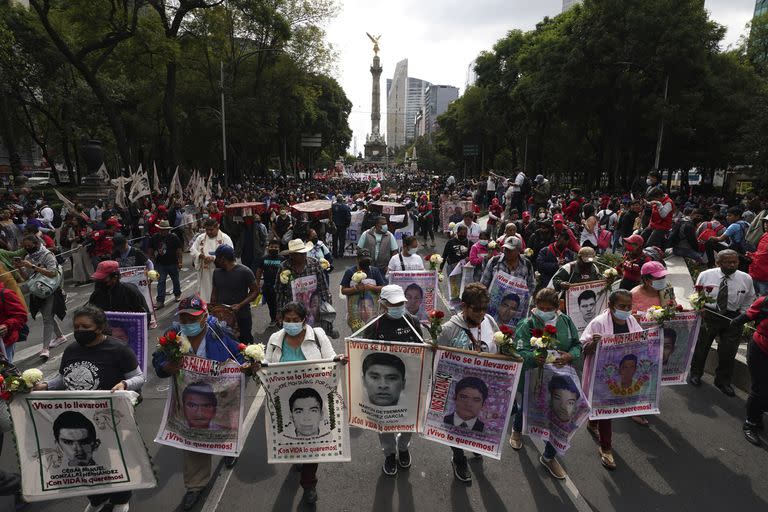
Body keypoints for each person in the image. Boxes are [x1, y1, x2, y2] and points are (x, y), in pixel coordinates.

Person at [34, 304, 145, 512]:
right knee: (86, 463)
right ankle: (96, 498)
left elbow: (139, 377)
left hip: (111, 419)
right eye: (76, 327)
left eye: (85, 326)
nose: (80, 331)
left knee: (115, 458)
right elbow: (62, 377)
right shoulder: (71, 349)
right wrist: (44, 386)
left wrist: (124, 385)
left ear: (100, 327)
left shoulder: (119, 349)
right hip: (80, 418)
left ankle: (120, 499)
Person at [151, 296, 244, 510]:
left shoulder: (218, 333)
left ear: (204, 316)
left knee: (223, 429)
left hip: (221, 394)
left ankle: (228, 451)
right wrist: (166, 366)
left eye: (192, 318)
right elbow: (158, 360)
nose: (188, 322)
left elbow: (238, 353)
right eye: (183, 318)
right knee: (193, 438)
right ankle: (195, 486)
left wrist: (241, 367)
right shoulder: (173, 336)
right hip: (189, 398)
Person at [253, 302, 344, 505]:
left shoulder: (318, 336)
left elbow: (330, 359)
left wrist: (339, 360)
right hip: (285, 401)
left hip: (313, 397)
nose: (291, 324)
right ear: (281, 320)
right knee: (292, 437)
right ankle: (299, 457)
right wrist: (257, 367)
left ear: (304, 321)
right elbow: (267, 367)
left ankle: (309, 484)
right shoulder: (276, 338)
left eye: (296, 320)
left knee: (313, 440)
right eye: (288, 320)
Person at [509, 287, 580, 480]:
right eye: (540, 307)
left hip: (561, 381)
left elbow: (577, 345)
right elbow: (517, 350)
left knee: (560, 417)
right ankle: (517, 431)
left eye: (549, 308)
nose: (544, 311)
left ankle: (549, 456)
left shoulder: (566, 322)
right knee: (524, 406)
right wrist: (533, 357)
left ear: (557, 308)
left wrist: (569, 355)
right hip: (533, 378)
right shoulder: (527, 324)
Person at [436, 283, 499, 482]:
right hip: (458, 390)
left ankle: (475, 444)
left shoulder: (489, 321)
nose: (481, 314)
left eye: (484, 309)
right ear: (464, 306)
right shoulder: (448, 329)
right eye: (476, 309)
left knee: (478, 422)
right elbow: (439, 361)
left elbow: (499, 346)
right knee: (456, 425)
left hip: (484, 389)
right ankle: (458, 458)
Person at [360, 284, 424, 476]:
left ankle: (403, 448)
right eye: (393, 304)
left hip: (408, 381)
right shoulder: (374, 324)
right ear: (383, 304)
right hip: (383, 384)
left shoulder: (412, 320)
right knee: (384, 420)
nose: (398, 307)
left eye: (401, 303)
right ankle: (389, 453)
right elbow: (362, 351)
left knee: (408, 417)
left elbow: (422, 347)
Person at [580, 289, 643, 470]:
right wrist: (594, 343)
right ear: (610, 306)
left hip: (621, 373)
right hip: (602, 374)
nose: (626, 309)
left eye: (629, 306)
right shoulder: (598, 323)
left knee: (605, 408)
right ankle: (606, 448)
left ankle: (592, 423)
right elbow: (584, 347)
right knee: (607, 411)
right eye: (622, 306)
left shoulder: (631, 321)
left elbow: (640, 342)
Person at [689, 250, 755, 396]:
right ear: (718, 263)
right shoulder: (706, 275)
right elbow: (696, 294)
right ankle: (695, 373)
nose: (733, 265)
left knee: (728, 351)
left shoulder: (746, 278)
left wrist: (742, 316)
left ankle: (723, 381)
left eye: (735, 262)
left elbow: (749, 299)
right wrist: (698, 307)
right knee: (702, 346)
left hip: (733, 318)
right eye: (728, 262)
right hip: (709, 315)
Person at [15, 234, 65, 360]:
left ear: (36, 244)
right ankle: (60, 337)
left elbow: (53, 273)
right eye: (25, 246)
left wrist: (33, 266)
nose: (27, 248)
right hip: (36, 291)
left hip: (49, 290)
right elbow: (27, 278)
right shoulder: (27, 257)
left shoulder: (47, 255)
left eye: (29, 246)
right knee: (47, 316)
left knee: (47, 319)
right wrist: (21, 268)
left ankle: (45, 348)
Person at [732, 294, 768, 445]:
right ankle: (750, 423)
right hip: (760, 349)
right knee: (760, 388)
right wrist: (736, 321)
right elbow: (747, 315)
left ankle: (757, 415)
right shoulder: (765, 301)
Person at [275, 238, 333, 333]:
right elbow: (279, 291)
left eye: (304, 252)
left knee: (314, 337)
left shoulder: (314, 264)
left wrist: (328, 307)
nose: (303, 255)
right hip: (292, 313)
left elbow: (323, 287)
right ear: (292, 255)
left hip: (314, 310)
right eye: (299, 254)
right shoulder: (284, 267)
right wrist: (279, 312)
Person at [210, 245, 260, 344]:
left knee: (244, 345)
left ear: (223, 259)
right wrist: (213, 310)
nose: (215, 260)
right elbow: (214, 292)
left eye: (217, 257)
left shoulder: (245, 271)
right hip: (222, 317)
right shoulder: (216, 272)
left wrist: (240, 305)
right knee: (225, 343)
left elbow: (255, 291)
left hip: (242, 316)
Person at [190, 218, 233, 302]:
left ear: (217, 227)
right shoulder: (201, 238)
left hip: (220, 271)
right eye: (207, 230)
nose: (209, 232)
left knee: (219, 293)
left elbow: (230, 253)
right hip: (205, 272)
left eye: (211, 230)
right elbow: (192, 249)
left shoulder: (225, 238)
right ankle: (207, 307)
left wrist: (214, 258)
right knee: (205, 293)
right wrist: (201, 255)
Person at [148, 219, 183, 309]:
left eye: (165, 229)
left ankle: (177, 294)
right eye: (161, 229)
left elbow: (179, 250)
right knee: (161, 281)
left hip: (173, 263)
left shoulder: (174, 237)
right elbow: (150, 249)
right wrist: (151, 260)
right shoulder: (154, 237)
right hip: (160, 264)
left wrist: (180, 262)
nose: (163, 231)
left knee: (175, 280)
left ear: (168, 230)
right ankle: (160, 301)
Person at [254, 239, 282, 327]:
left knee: (280, 304)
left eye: (276, 247)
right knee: (271, 304)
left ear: (279, 249)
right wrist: (257, 284)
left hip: (280, 287)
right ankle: (273, 319)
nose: (274, 248)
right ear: (268, 248)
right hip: (268, 286)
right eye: (272, 247)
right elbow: (259, 271)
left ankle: (281, 318)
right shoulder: (263, 259)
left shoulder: (282, 259)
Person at [0, 280, 28, 362]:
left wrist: (6, 325)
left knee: (6, 372)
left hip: (4, 343)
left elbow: (21, 316)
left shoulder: (5, 294)